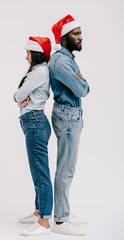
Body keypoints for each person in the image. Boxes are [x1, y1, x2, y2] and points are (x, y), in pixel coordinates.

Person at [48, 14, 90, 236]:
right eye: (76, 33)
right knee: (65, 168)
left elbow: (81, 86)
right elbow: (83, 89)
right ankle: (61, 221)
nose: (81, 37)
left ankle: (64, 210)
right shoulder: (62, 61)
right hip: (67, 117)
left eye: (81, 32)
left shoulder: (67, 58)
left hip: (71, 116)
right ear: (64, 38)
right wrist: (82, 81)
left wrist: (81, 81)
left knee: (68, 168)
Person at [13, 36, 53, 236]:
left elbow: (20, 95)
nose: (25, 57)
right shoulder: (37, 71)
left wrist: (17, 97)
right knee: (36, 171)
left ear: (35, 53)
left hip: (35, 122)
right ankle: (39, 211)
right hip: (32, 122)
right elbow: (20, 95)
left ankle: (44, 221)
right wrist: (18, 97)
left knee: (40, 172)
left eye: (28, 52)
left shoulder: (40, 71)